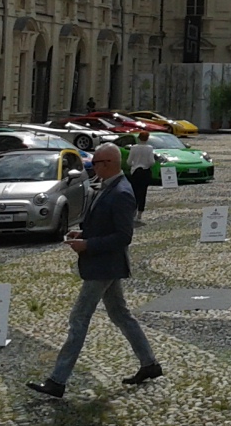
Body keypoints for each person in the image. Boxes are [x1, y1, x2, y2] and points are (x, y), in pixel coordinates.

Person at [29, 144, 160, 398]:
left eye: (96, 163)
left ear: (108, 164)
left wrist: (88, 245)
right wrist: (83, 234)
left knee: (79, 319)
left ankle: (58, 380)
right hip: (105, 265)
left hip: (104, 266)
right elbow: (104, 226)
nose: (92, 167)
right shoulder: (107, 187)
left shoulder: (121, 192)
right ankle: (149, 363)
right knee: (120, 315)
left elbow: (123, 236)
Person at [126, 131, 156, 225]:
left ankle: (133, 211)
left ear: (138, 138)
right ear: (147, 139)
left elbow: (129, 162)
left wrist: (134, 164)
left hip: (135, 171)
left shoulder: (133, 148)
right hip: (145, 171)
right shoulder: (149, 148)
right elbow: (152, 162)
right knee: (143, 193)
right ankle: (140, 213)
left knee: (134, 192)